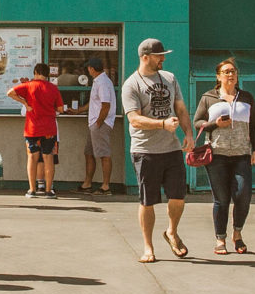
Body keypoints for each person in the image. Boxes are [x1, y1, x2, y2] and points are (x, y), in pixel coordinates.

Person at [124, 39, 191, 261]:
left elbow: (180, 109)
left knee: (178, 197)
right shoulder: (132, 84)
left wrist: (188, 135)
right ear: (145, 57)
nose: (163, 58)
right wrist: (161, 124)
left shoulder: (170, 78)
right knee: (148, 201)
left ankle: (171, 231)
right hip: (145, 151)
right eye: (159, 55)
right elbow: (134, 119)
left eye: (163, 55)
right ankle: (148, 247)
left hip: (171, 149)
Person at [194, 58, 255, 255]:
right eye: (226, 72)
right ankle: (220, 239)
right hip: (217, 154)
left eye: (233, 71)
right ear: (218, 76)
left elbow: (254, 126)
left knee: (243, 195)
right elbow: (197, 122)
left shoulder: (247, 97)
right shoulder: (209, 97)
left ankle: (237, 234)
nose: (230, 75)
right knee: (221, 199)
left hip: (241, 154)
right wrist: (215, 125)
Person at [9, 62, 63, 197]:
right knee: (48, 158)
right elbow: (61, 109)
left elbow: (10, 92)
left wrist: (25, 103)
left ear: (36, 72)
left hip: (32, 128)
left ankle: (32, 190)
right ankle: (48, 190)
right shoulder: (53, 88)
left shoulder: (29, 85)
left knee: (32, 158)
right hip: (49, 128)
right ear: (47, 74)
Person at [82, 56, 118, 195]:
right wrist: (78, 110)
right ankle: (87, 184)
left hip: (100, 124)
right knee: (89, 153)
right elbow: (95, 103)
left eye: (88, 68)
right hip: (95, 123)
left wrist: (98, 123)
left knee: (104, 155)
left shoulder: (102, 82)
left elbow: (105, 105)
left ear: (91, 68)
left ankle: (105, 186)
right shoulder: (99, 81)